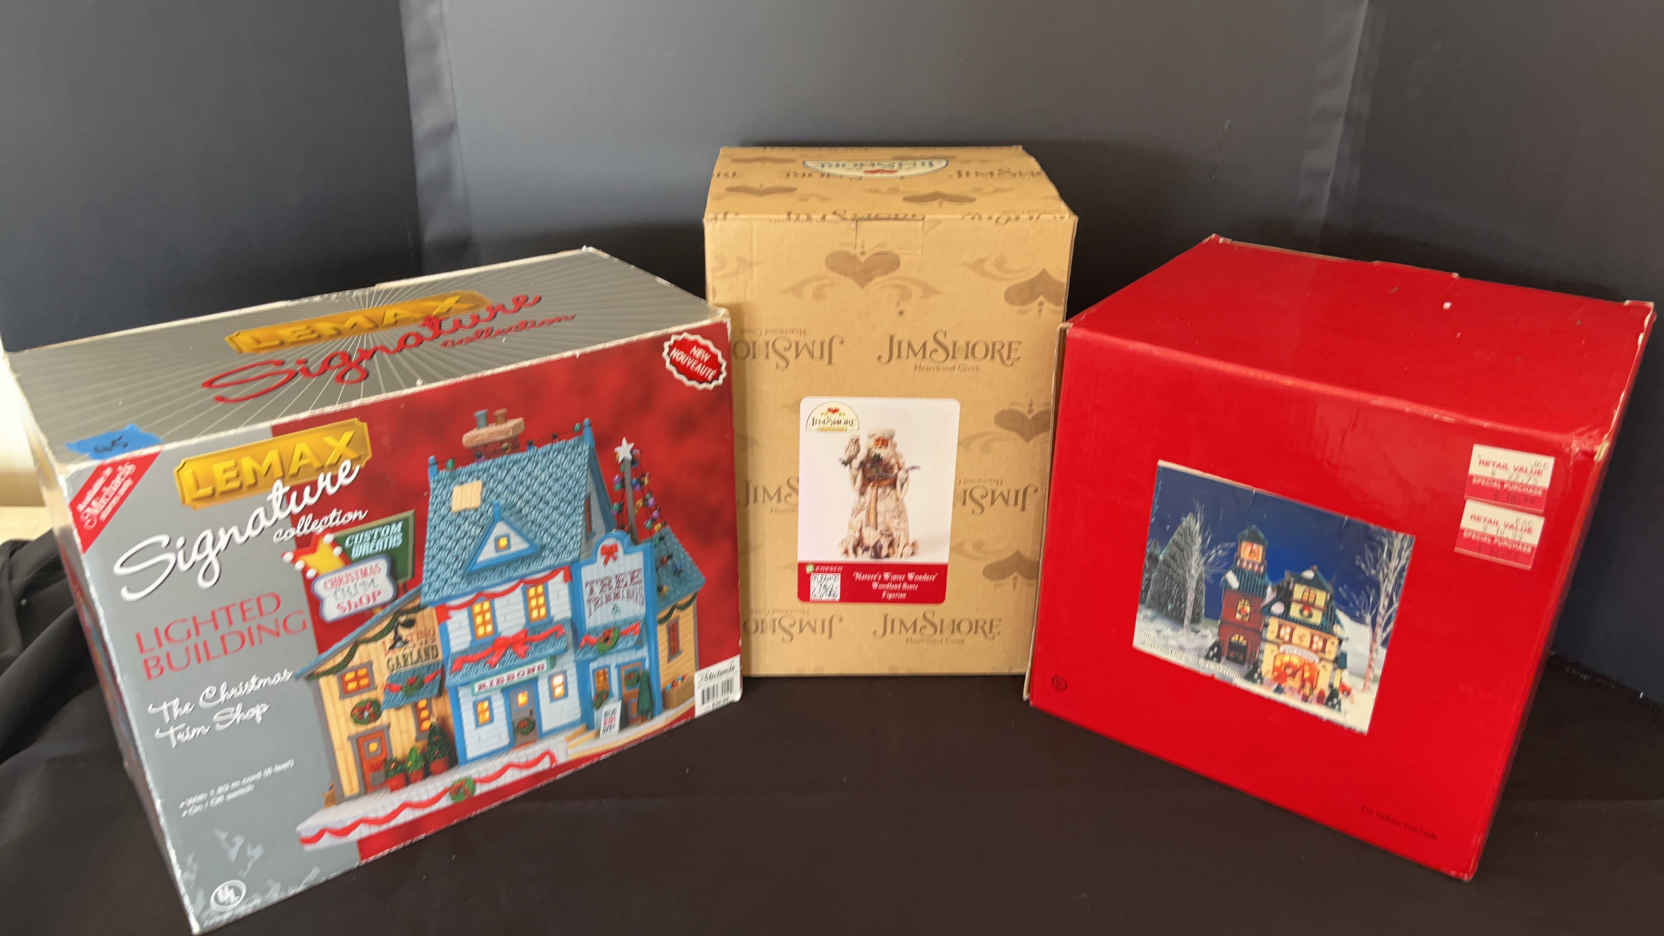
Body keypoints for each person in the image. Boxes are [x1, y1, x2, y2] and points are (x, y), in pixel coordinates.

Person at [837, 429, 918, 559]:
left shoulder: (896, 458)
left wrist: (902, 478)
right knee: (862, 520)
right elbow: (857, 481)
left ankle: (892, 545)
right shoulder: (865, 457)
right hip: (868, 495)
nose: (880, 446)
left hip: (889, 496)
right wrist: (855, 467)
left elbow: (901, 478)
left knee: (892, 521)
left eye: (884, 442)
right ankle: (865, 544)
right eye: (876, 442)